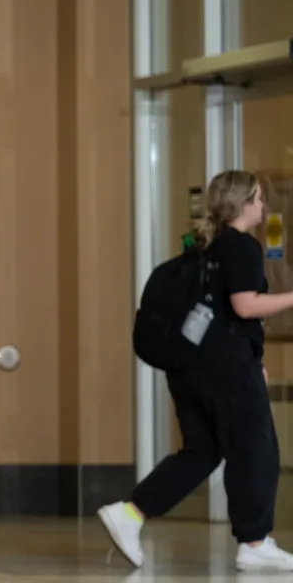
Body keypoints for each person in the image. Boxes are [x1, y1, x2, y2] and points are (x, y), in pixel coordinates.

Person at [99, 170, 293, 572]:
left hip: (190, 367)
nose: (263, 206)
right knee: (256, 448)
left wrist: (252, 358)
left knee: (202, 451)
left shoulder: (209, 248)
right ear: (244, 202)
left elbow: (220, 314)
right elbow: (244, 306)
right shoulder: (240, 246)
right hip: (225, 369)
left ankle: (130, 513)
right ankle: (254, 543)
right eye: (258, 198)